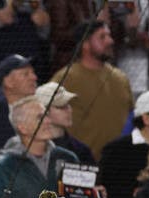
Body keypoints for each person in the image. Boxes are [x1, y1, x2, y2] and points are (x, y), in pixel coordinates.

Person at [50, 21, 133, 161]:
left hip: (119, 163)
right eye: (102, 37)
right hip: (80, 164)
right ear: (85, 44)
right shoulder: (65, 79)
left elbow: (131, 117)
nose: (110, 41)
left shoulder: (121, 78)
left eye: (109, 36)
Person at [0, 54, 37, 148]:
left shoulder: (43, 107)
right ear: (9, 82)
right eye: (26, 74)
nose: (34, 77)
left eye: (33, 73)